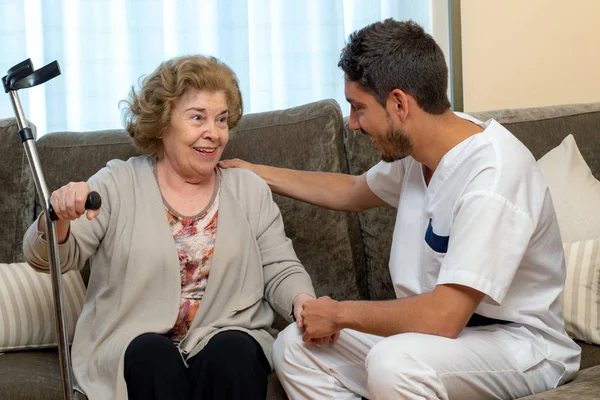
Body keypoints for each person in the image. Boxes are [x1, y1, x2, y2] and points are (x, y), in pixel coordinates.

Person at [219, 19, 581, 400]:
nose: (353, 124)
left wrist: (339, 313)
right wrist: (254, 172)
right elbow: (352, 191)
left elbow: (444, 318)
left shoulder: (492, 177)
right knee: (296, 345)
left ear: (398, 103)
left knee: (396, 363)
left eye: (358, 108)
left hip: (519, 345)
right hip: (437, 342)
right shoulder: (418, 154)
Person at [23, 55, 318, 400]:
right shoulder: (118, 182)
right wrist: (57, 218)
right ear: (162, 126)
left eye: (221, 119)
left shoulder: (247, 189)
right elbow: (50, 260)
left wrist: (303, 301)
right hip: (134, 340)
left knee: (234, 353)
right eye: (197, 118)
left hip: (223, 334)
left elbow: (279, 265)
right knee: (153, 356)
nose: (213, 132)